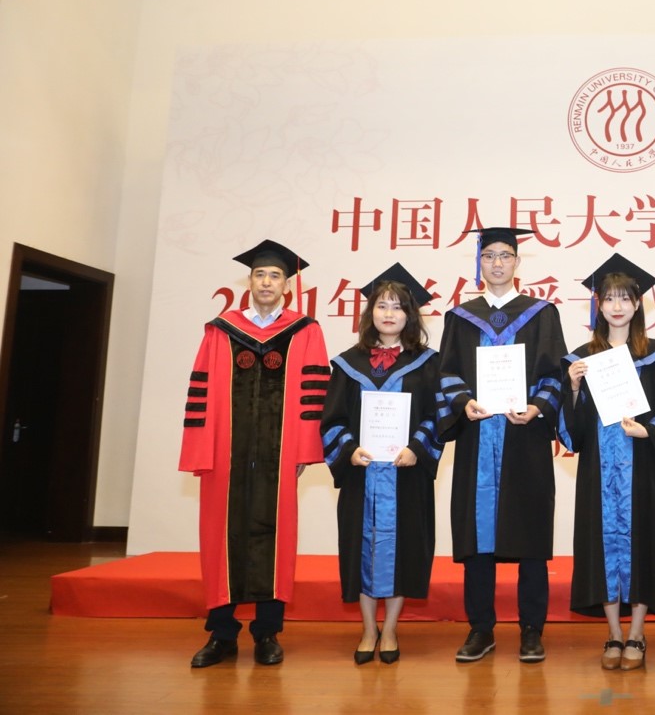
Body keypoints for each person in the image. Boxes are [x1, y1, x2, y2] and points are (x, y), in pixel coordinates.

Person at [180, 239, 329, 668]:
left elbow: (314, 394)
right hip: (225, 453)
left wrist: (302, 451)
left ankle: (267, 633)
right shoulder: (221, 329)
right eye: (260, 274)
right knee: (219, 539)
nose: (267, 282)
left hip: (278, 456)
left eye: (275, 276)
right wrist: (202, 451)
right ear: (248, 281)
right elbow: (201, 390)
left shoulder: (305, 331)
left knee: (274, 538)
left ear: (287, 285)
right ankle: (222, 634)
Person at [437, 226, 568, 664]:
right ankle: (481, 628)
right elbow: (447, 373)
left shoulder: (541, 314)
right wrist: (464, 401)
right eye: (489, 255)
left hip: (524, 437)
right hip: (477, 436)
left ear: (517, 262)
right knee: (477, 539)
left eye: (505, 255)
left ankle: (532, 629)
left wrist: (537, 407)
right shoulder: (460, 317)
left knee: (529, 531)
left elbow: (554, 373)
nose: (497, 263)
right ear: (480, 262)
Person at [560, 254, 655, 671]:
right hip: (598, 471)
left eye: (625, 298)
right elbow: (571, 433)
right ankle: (613, 633)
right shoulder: (581, 359)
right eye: (609, 298)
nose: (617, 306)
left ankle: (637, 633)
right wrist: (573, 388)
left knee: (645, 543)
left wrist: (649, 431)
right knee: (601, 548)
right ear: (598, 304)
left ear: (637, 304)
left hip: (644, 468)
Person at [321, 263, 452, 665]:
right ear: (370, 312)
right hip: (361, 474)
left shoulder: (428, 363)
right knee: (359, 546)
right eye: (382, 306)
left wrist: (417, 447)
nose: (389, 313)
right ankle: (367, 629)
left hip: (406, 472)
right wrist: (348, 449)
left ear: (410, 315)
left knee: (403, 550)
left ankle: (391, 629)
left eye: (398, 307)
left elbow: (438, 415)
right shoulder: (347, 363)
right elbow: (332, 419)